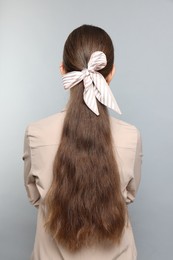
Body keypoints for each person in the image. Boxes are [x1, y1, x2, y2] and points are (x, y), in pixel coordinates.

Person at [23, 24, 142, 260]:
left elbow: (35, 196)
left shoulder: (35, 133)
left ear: (63, 70)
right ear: (111, 73)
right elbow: (128, 195)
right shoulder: (131, 136)